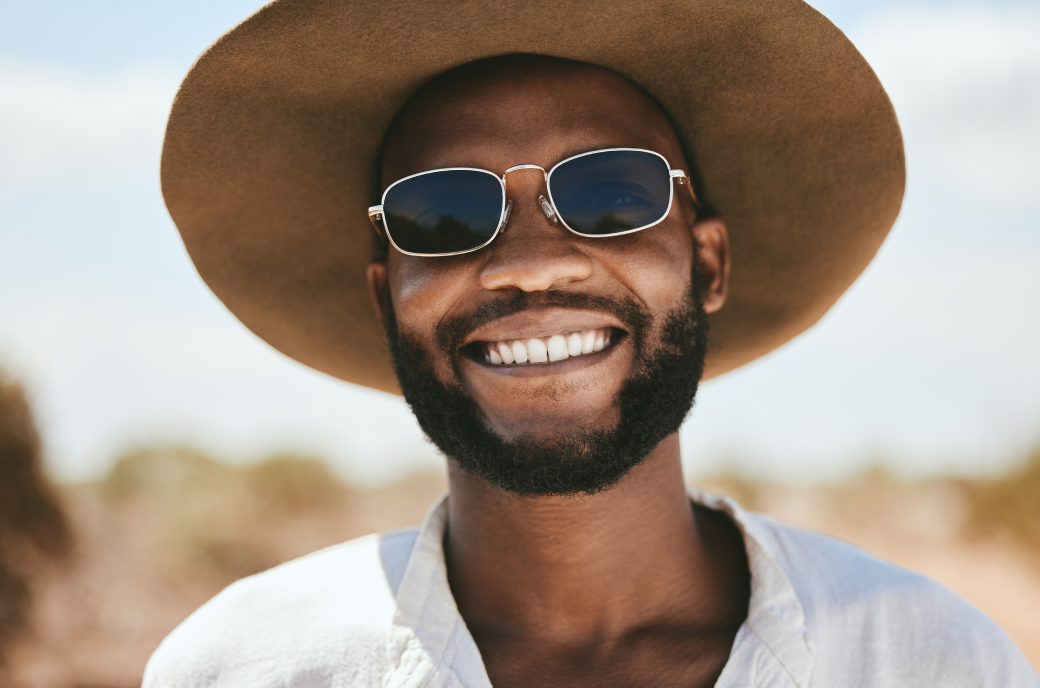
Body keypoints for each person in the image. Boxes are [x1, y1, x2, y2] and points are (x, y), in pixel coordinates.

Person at [144, 1, 1038, 686]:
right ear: (387, 298)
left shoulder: (932, 661)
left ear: (708, 262)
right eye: (444, 212)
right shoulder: (243, 668)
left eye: (612, 193)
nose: (530, 265)